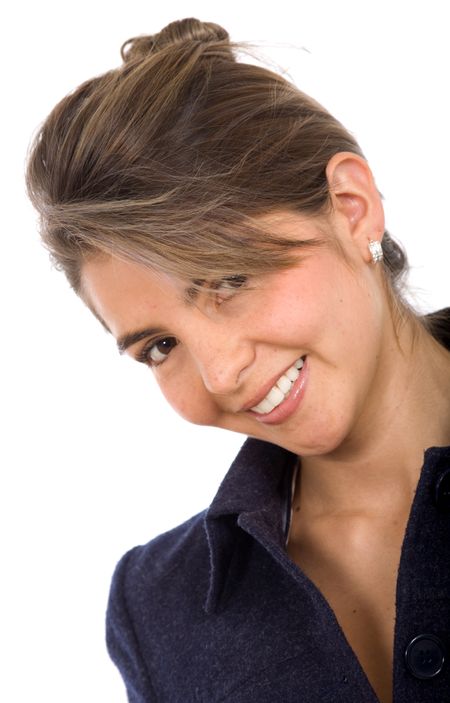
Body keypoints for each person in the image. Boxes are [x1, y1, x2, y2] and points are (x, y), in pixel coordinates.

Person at [26, 17, 450, 703]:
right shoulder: (161, 605)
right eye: (159, 346)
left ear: (352, 207)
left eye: (228, 279)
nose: (220, 373)